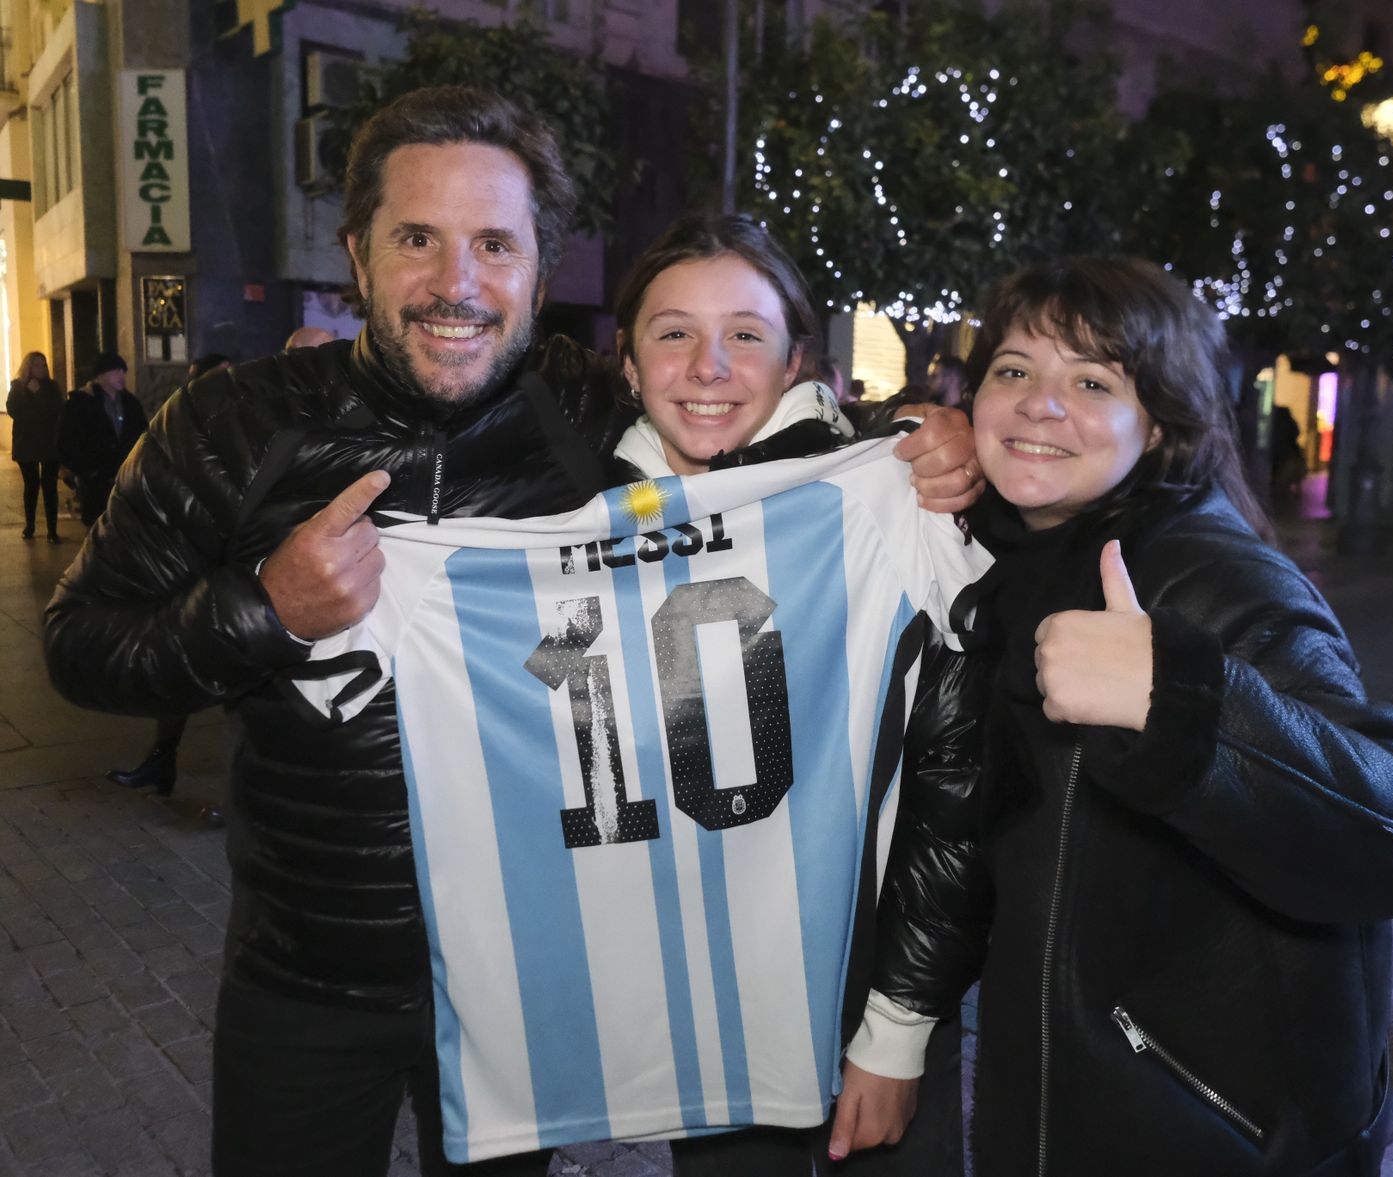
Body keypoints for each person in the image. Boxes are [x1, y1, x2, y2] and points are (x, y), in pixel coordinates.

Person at [41, 85, 980, 1177]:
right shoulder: (227, 423)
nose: (457, 283)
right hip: (309, 972)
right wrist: (263, 610)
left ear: (539, 268)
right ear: (356, 256)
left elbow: (741, 414)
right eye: (417, 239)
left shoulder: (590, 412)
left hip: (525, 977)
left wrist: (913, 440)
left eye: (494, 244)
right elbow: (79, 644)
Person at [839, 257, 1393, 1175]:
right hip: (1057, 1105)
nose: (1040, 404)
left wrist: (1184, 706)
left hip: (1206, 1128)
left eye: (1093, 382)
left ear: (1158, 422)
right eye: (1014, 370)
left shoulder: (1213, 576)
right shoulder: (998, 557)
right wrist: (904, 429)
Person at [607, 212, 985, 1176]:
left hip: (873, 992)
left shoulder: (888, 493)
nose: (708, 365)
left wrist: (898, 1026)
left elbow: (956, 781)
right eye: (674, 331)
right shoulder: (588, 521)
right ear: (628, 362)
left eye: (745, 333)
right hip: (715, 1009)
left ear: (795, 361)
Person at [106, 352, 237, 796]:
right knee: (178, 665)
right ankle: (162, 761)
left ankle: (242, 785)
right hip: (193, 563)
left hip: (241, 569)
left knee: (243, 678)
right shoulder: (181, 427)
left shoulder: (253, 425)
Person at [57, 352, 146, 528]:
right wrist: (87, 471)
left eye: (123, 372)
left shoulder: (130, 403)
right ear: (101, 375)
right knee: (98, 526)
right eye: (116, 372)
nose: (121, 376)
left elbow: (143, 434)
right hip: (95, 480)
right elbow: (67, 441)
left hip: (125, 477)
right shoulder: (81, 403)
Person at [7, 351, 64, 542]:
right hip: (27, 443)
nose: (41, 369)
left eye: (44, 365)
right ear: (28, 367)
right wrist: (32, 399)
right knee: (31, 485)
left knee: (50, 487)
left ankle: (52, 530)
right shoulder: (18, 387)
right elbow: (14, 410)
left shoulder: (51, 387)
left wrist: (38, 394)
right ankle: (30, 525)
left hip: (49, 443)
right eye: (37, 365)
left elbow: (56, 409)